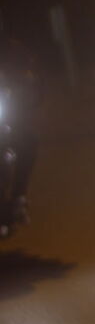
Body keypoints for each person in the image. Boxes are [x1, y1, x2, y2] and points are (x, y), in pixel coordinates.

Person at [1, 16, 43, 237]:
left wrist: (30, 91)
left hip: (9, 115)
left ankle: (19, 196)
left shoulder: (16, 52)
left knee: (29, 139)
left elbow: (35, 80)